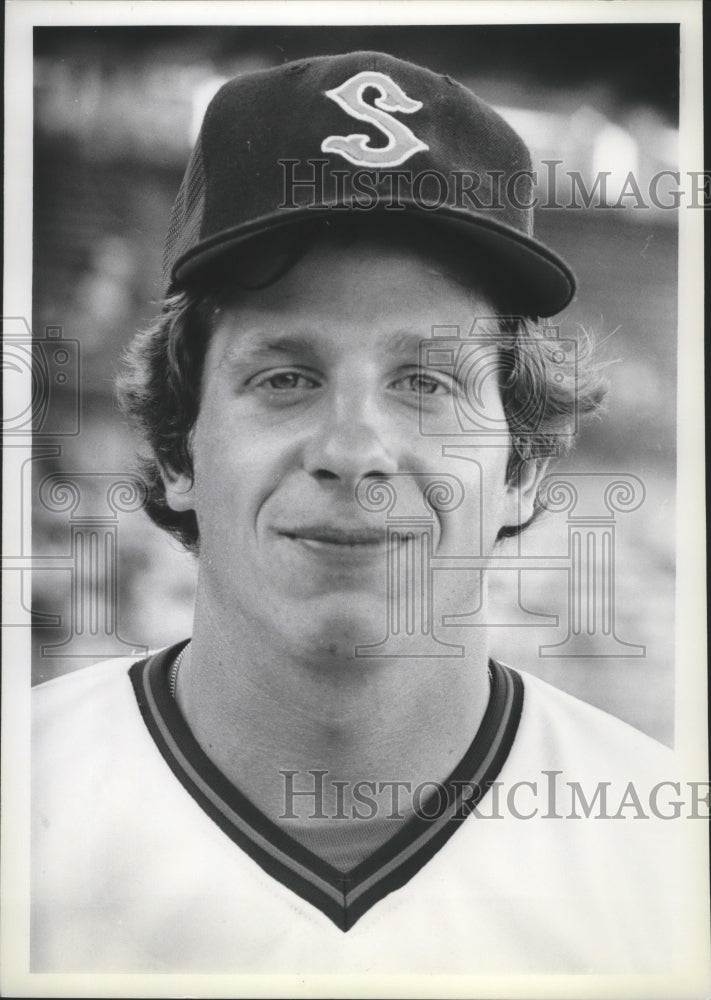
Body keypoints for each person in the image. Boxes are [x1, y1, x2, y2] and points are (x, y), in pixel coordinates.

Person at [32, 50, 682, 974]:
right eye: (285, 377)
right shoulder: (26, 804)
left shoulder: (669, 871)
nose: (351, 450)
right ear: (180, 449)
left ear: (521, 466)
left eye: (425, 380)